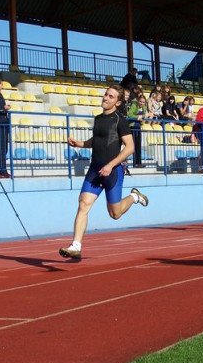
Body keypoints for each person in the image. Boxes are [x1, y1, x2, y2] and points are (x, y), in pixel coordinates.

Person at [59, 84, 149, 259]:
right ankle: (75, 246)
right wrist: (80, 144)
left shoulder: (120, 120)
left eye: (111, 96)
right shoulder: (98, 118)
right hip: (95, 170)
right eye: (106, 94)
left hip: (112, 172)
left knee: (115, 214)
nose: (105, 98)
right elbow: (98, 140)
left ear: (117, 102)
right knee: (83, 205)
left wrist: (110, 165)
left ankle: (135, 197)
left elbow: (130, 148)